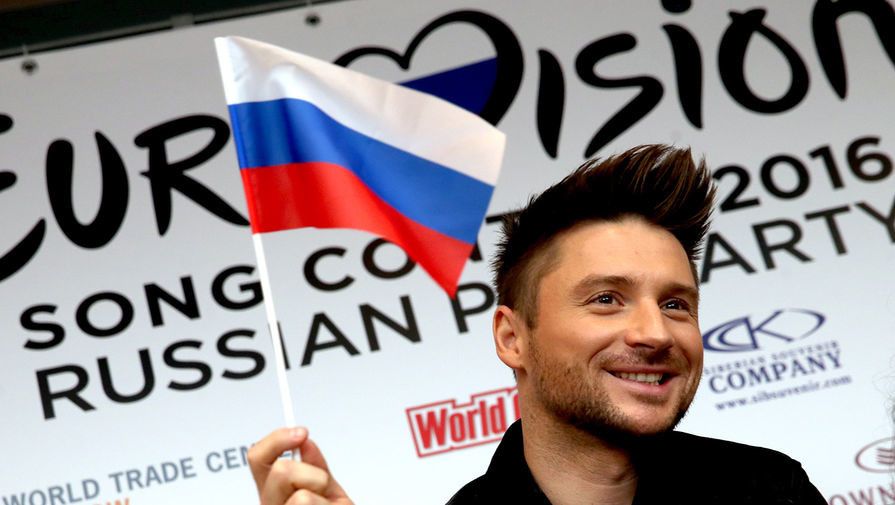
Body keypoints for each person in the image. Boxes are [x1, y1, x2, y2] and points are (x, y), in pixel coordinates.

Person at [247, 145, 826, 505]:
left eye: (676, 305)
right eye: (606, 299)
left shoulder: (769, 488)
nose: (655, 333)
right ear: (511, 338)